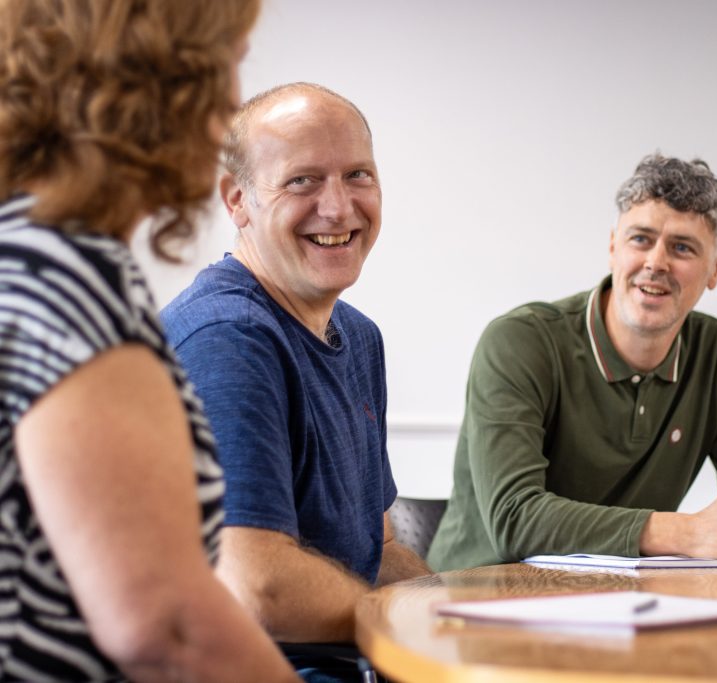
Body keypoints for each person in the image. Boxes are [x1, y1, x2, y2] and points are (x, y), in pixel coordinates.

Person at [0, 1, 300, 681]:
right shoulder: (63, 280)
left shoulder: (31, 252)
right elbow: (167, 624)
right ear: (156, 81)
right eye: (228, 64)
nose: (232, 100)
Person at [428, 153, 717, 571]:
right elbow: (515, 519)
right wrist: (685, 532)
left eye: (682, 247)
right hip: (476, 602)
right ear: (613, 246)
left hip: (623, 606)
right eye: (640, 239)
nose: (655, 262)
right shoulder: (520, 342)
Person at [161, 83, 430, 662]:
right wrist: (419, 630)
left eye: (358, 174)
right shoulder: (226, 339)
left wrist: (452, 612)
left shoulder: (359, 336)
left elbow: (378, 547)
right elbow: (259, 587)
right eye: (301, 180)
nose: (337, 207)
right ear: (237, 200)